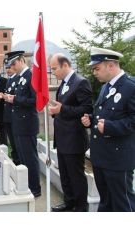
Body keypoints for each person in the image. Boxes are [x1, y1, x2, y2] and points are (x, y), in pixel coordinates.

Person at [81, 47, 135, 211]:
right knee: (105, 202)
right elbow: (103, 114)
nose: (95, 73)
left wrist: (110, 127)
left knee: (122, 204)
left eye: (97, 68)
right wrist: (91, 120)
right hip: (101, 157)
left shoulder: (130, 86)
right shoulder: (106, 87)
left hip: (118, 159)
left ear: (110, 65)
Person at [48, 53, 93, 212]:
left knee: (76, 176)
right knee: (65, 175)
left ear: (65, 65)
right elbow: (64, 107)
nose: (52, 72)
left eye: (54, 68)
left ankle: (81, 207)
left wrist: (62, 109)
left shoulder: (81, 82)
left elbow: (87, 109)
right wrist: (55, 111)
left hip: (74, 139)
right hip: (62, 137)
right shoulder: (64, 83)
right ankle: (69, 202)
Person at [3, 51, 41, 197]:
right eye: (9, 64)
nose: (11, 66)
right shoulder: (20, 77)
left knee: (30, 158)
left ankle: (35, 188)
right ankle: (27, 184)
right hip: (18, 123)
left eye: (13, 63)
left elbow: (35, 101)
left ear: (21, 60)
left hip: (27, 124)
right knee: (23, 158)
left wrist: (15, 100)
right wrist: (13, 98)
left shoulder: (30, 76)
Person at [0, 63, 20, 165]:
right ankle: (15, 160)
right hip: (7, 116)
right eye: (6, 68)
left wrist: (6, 97)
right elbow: (8, 97)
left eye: (10, 67)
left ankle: (19, 162)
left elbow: (16, 98)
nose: (8, 70)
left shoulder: (18, 79)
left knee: (16, 142)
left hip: (14, 117)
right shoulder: (9, 80)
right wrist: (3, 96)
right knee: (12, 141)